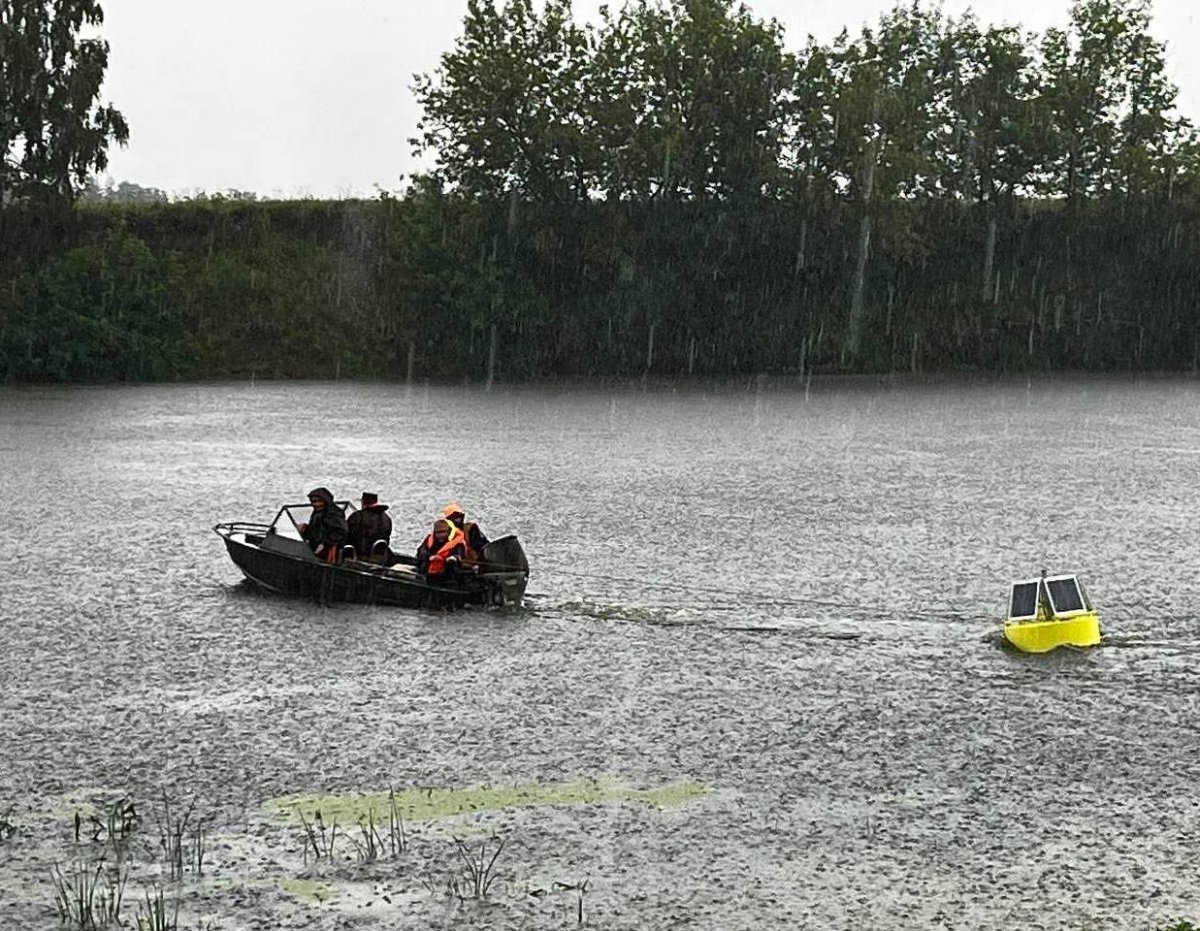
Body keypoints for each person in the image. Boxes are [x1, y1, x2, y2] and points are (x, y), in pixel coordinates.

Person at [298, 487, 347, 563]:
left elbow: (340, 532)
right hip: (317, 549)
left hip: (330, 551)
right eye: (313, 501)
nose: (316, 504)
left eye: (319, 501)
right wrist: (305, 529)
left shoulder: (333, 513)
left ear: (325, 501)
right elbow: (316, 531)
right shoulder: (317, 513)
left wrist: (324, 544)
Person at [346, 491, 392, 562]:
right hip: (381, 557)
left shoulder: (357, 517)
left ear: (363, 502)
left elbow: (349, 536)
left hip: (361, 556)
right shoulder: (387, 518)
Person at [440, 501, 489, 565]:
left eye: (458, 516)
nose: (457, 519)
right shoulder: (442, 534)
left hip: (474, 565)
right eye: (454, 517)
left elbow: (482, 546)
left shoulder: (470, 528)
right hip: (452, 567)